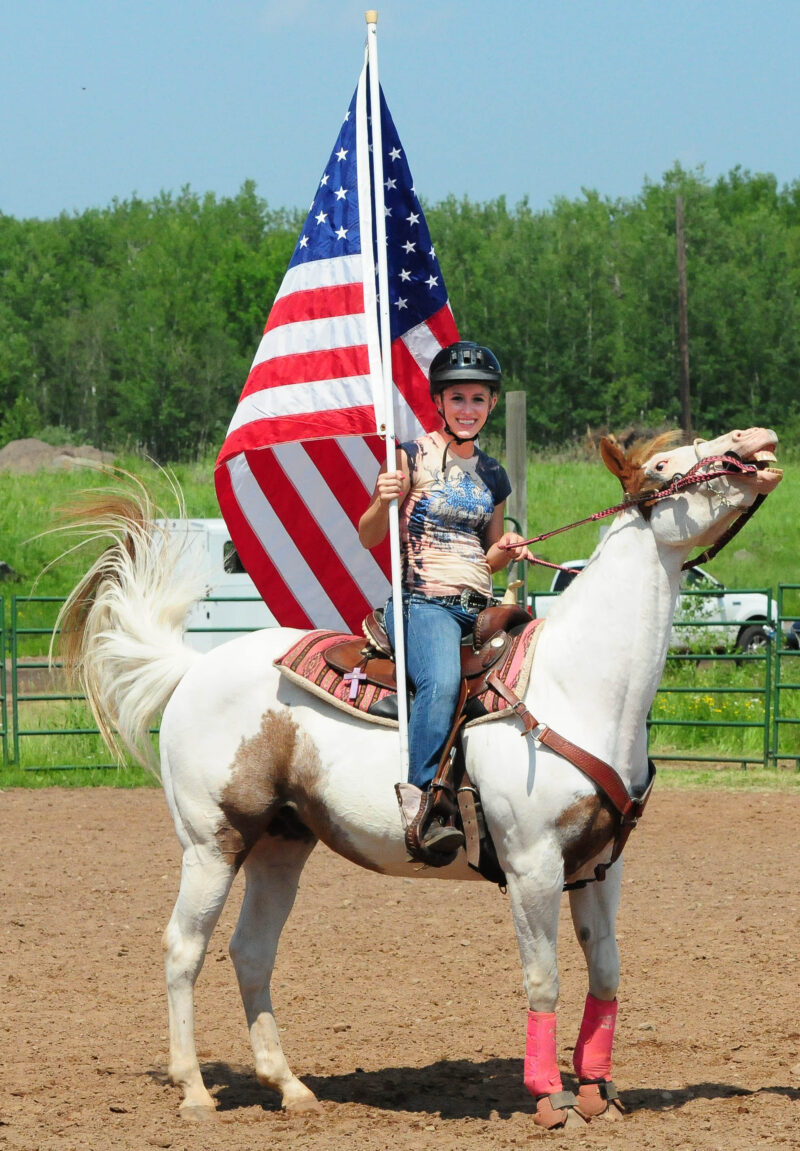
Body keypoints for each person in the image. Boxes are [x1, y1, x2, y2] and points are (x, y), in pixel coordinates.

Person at [358, 340, 533, 860]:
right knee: (442, 681)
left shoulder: (494, 475)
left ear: (492, 405)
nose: (467, 409)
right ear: (439, 402)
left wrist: (504, 551)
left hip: (476, 604)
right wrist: (381, 499)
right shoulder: (411, 457)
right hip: (422, 601)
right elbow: (369, 536)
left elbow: (485, 557)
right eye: (457, 398)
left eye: (478, 399)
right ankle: (421, 804)